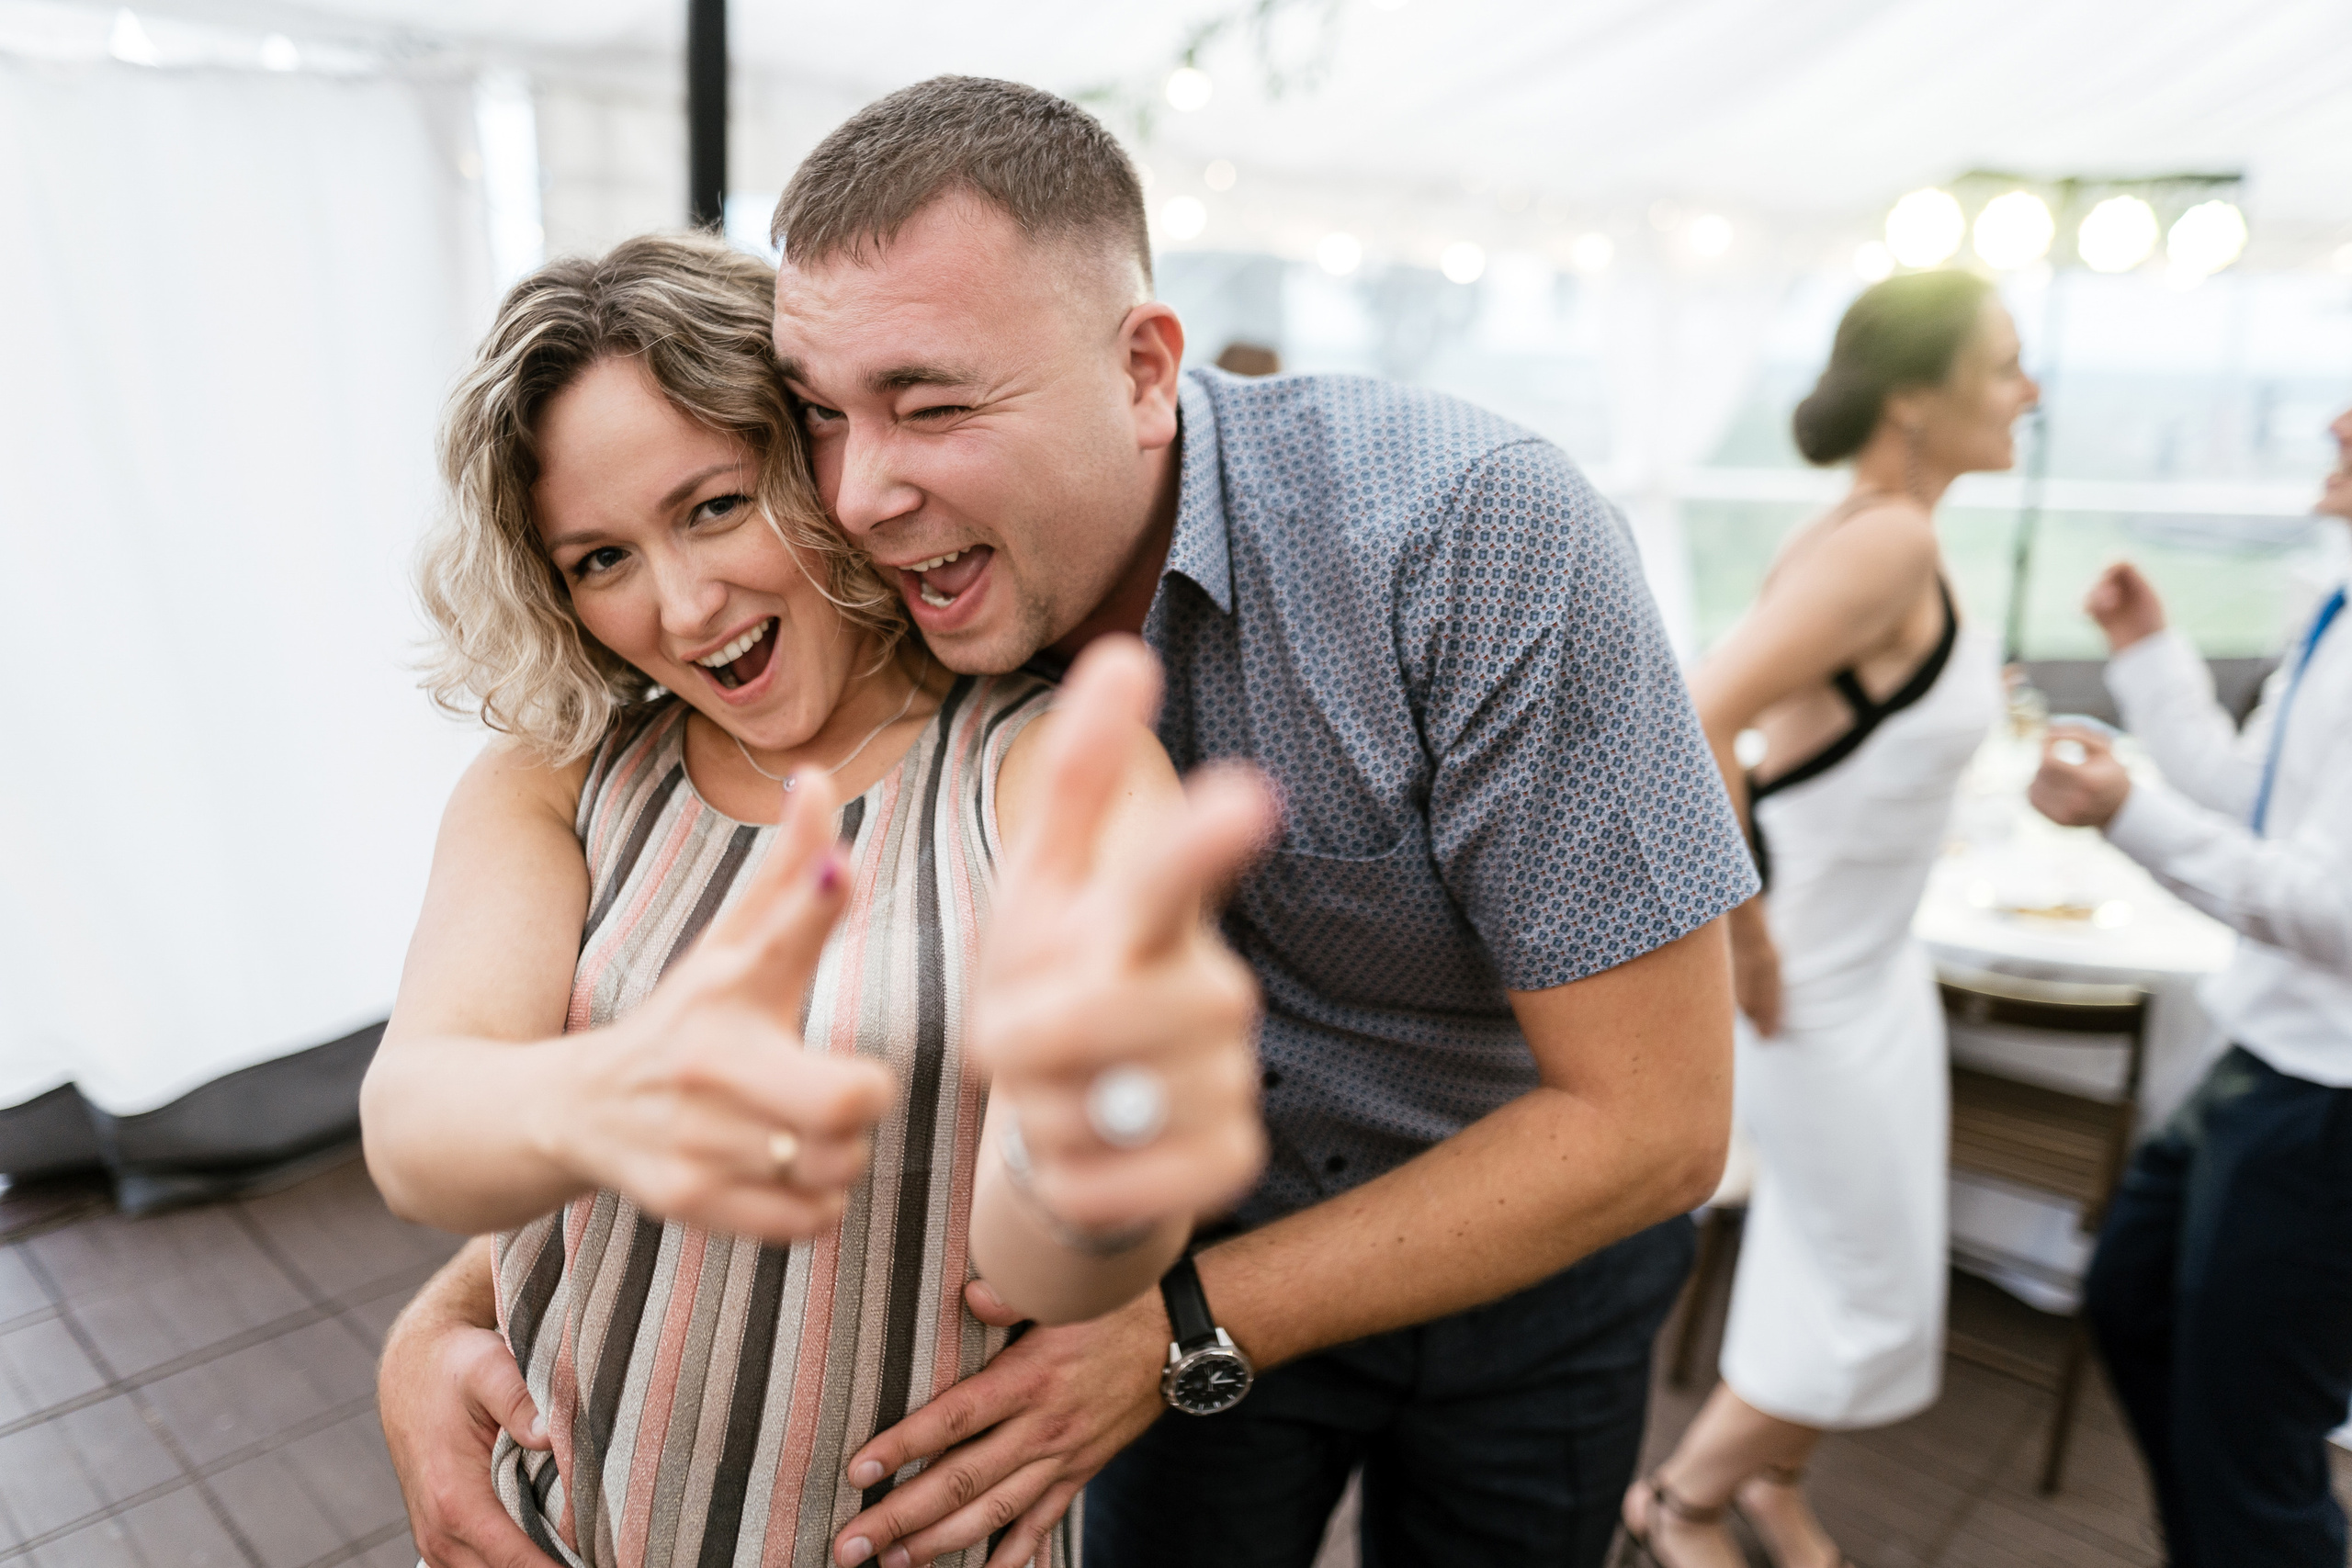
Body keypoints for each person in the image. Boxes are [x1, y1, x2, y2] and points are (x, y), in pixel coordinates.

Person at [383, 76, 1755, 1568]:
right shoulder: (849, 636)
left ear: (1146, 371)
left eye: (933, 404)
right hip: (1131, 1286)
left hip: (1509, 1250)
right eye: (826, 419)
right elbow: (657, 1065)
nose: (869, 487)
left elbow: (1657, 1121)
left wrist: (1163, 1295)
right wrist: (455, 1304)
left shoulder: (1465, 534)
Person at [360, 231, 1274, 1566]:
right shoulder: (558, 778)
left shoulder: (1039, 768)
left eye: (715, 505)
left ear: (816, 460)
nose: (680, 604)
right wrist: (611, 1095)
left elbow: (1038, 1268)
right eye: (598, 558)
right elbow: (414, 1117)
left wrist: (1097, 1162)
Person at [1621, 271, 2031, 1568]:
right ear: (1917, 397)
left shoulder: (1890, 528)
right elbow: (1697, 715)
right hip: (1815, 979)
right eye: (2007, 364)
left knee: (1821, 1254)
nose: (2030, 389)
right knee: (1871, 1291)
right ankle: (1680, 1499)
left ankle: (1773, 1490)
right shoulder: (1886, 541)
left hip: (1871, 963)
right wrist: (1746, 938)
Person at [2028, 405, 2352, 1566]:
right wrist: (2149, 654)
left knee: (2254, 1439)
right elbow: (2248, 795)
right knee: (2135, 1304)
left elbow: (2338, 913)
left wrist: (2130, 815)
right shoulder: (2338, 607)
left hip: (2326, 1101)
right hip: (2264, 1056)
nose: (2334, 419)